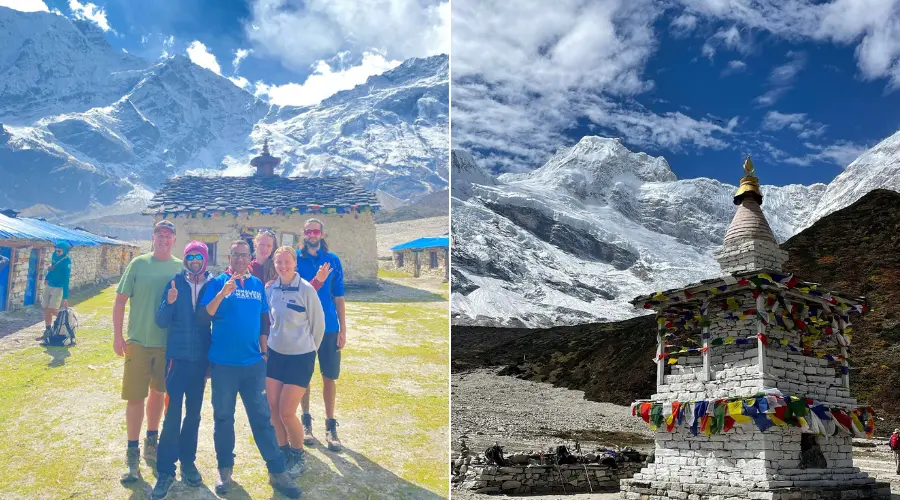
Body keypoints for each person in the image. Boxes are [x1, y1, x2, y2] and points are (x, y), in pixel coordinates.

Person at [199, 240, 301, 498]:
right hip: (223, 365)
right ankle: (225, 469)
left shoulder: (256, 285)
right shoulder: (216, 283)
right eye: (236, 255)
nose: (241, 260)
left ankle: (277, 472)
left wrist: (264, 352)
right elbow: (204, 317)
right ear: (229, 257)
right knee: (223, 418)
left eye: (245, 255)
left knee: (262, 419)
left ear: (250, 258)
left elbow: (262, 321)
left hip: (253, 364)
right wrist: (223, 292)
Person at [115, 220, 184, 483]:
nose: (164, 239)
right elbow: (120, 300)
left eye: (168, 235)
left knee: (158, 393)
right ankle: (132, 452)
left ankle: (151, 441)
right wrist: (117, 335)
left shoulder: (180, 267)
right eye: (159, 234)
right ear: (153, 237)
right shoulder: (138, 264)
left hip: (167, 344)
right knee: (135, 397)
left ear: (174, 240)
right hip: (138, 342)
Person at [150, 241, 214, 499]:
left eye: (199, 256)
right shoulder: (175, 283)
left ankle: (188, 462)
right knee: (172, 414)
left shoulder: (212, 284)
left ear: (205, 258)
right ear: (185, 259)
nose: (195, 260)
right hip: (176, 359)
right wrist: (169, 300)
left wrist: (211, 361)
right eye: (190, 256)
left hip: (200, 361)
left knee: (194, 415)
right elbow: (161, 320)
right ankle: (166, 470)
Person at [265, 246, 325, 476]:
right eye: (278, 262)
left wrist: (309, 350)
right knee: (273, 409)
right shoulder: (271, 289)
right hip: (276, 356)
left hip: (300, 358)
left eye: (287, 261)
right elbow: (271, 322)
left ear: (294, 263)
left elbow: (318, 325)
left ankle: (298, 455)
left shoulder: (307, 290)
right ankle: (283, 452)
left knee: (287, 412)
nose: (282, 266)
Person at [295, 218, 346, 451]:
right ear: (303, 234)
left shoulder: (333, 260)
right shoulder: (295, 259)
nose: (312, 234)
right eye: (308, 231)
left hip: (329, 326)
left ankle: (330, 425)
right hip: (303, 326)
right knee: (303, 376)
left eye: (316, 231)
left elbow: (339, 297)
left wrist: (343, 328)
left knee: (329, 377)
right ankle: (306, 422)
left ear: (322, 234)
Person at [42, 242, 72, 338]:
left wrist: (65, 296)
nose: (57, 252)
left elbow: (66, 279)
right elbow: (52, 267)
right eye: (56, 250)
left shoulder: (67, 262)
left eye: (59, 251)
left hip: (59, 287)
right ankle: (48, 330)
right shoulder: (54, 255)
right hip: (50, 284)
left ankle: (68, 320)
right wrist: (47, 277)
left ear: (65, 251)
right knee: (46, 308)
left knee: (53, 309)